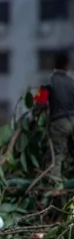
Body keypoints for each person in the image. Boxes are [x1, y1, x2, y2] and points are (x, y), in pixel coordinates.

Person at [46, 52, 74, 185]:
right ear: (67, 66)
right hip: (73, 119)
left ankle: (55, 186)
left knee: (57, 155)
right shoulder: (72, 82)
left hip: (59, 122)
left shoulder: (50, 80)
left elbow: (39, 101)